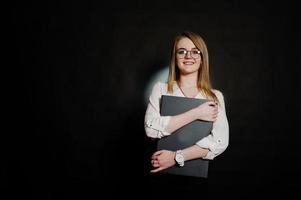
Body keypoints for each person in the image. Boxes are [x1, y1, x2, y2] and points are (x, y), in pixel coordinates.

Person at [144, 31, 229, 198]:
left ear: (202, 58)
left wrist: (176, 157)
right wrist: (196, 113)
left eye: (195, 51)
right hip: (162, 179)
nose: (188, 56)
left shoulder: (214, 96)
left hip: (198, 182)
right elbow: (151, 130)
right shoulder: (161, 89)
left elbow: (220, 142)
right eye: (182, 51)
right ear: (175, 58)